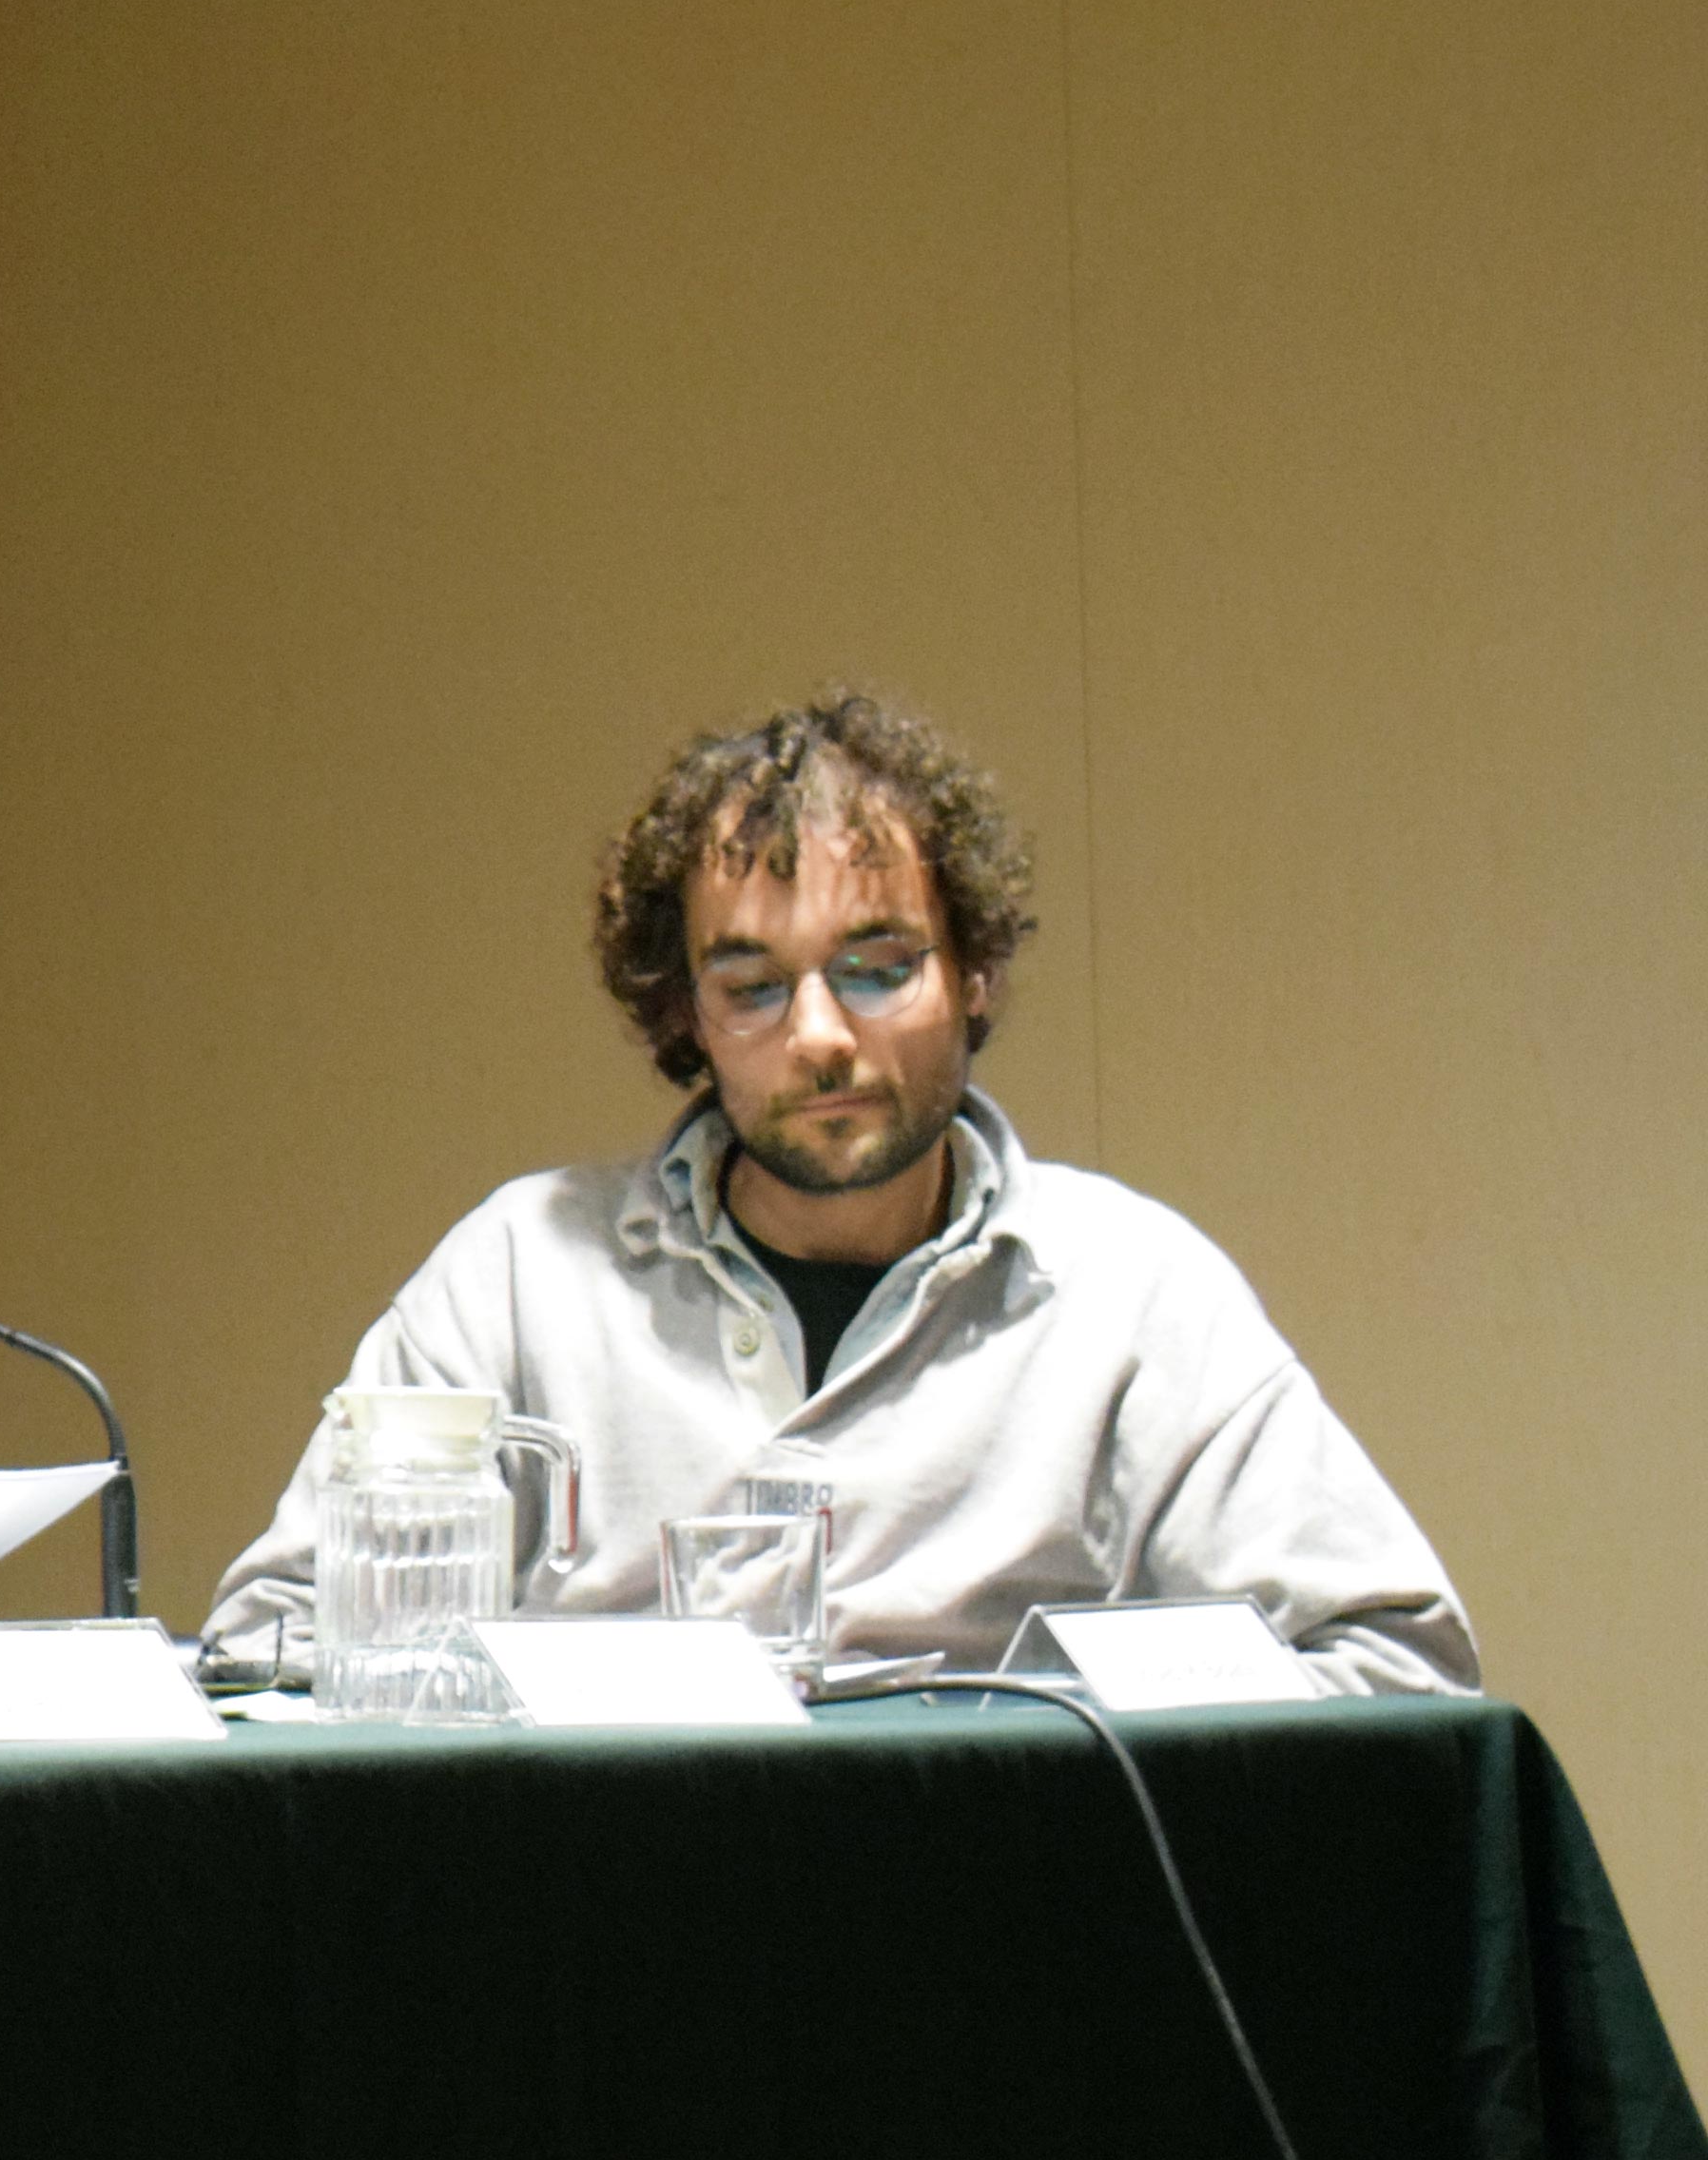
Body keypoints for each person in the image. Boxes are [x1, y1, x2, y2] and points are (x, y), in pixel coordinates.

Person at [207, 689, 1474, 1693]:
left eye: (877, 967)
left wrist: (1041, 1748)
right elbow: (269, 1646)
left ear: (975, 973)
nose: (819, 1035)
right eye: (753, 988)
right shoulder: (519, 1278)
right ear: (686, 1016)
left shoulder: (1132, 1296)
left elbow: (1394, 1668)